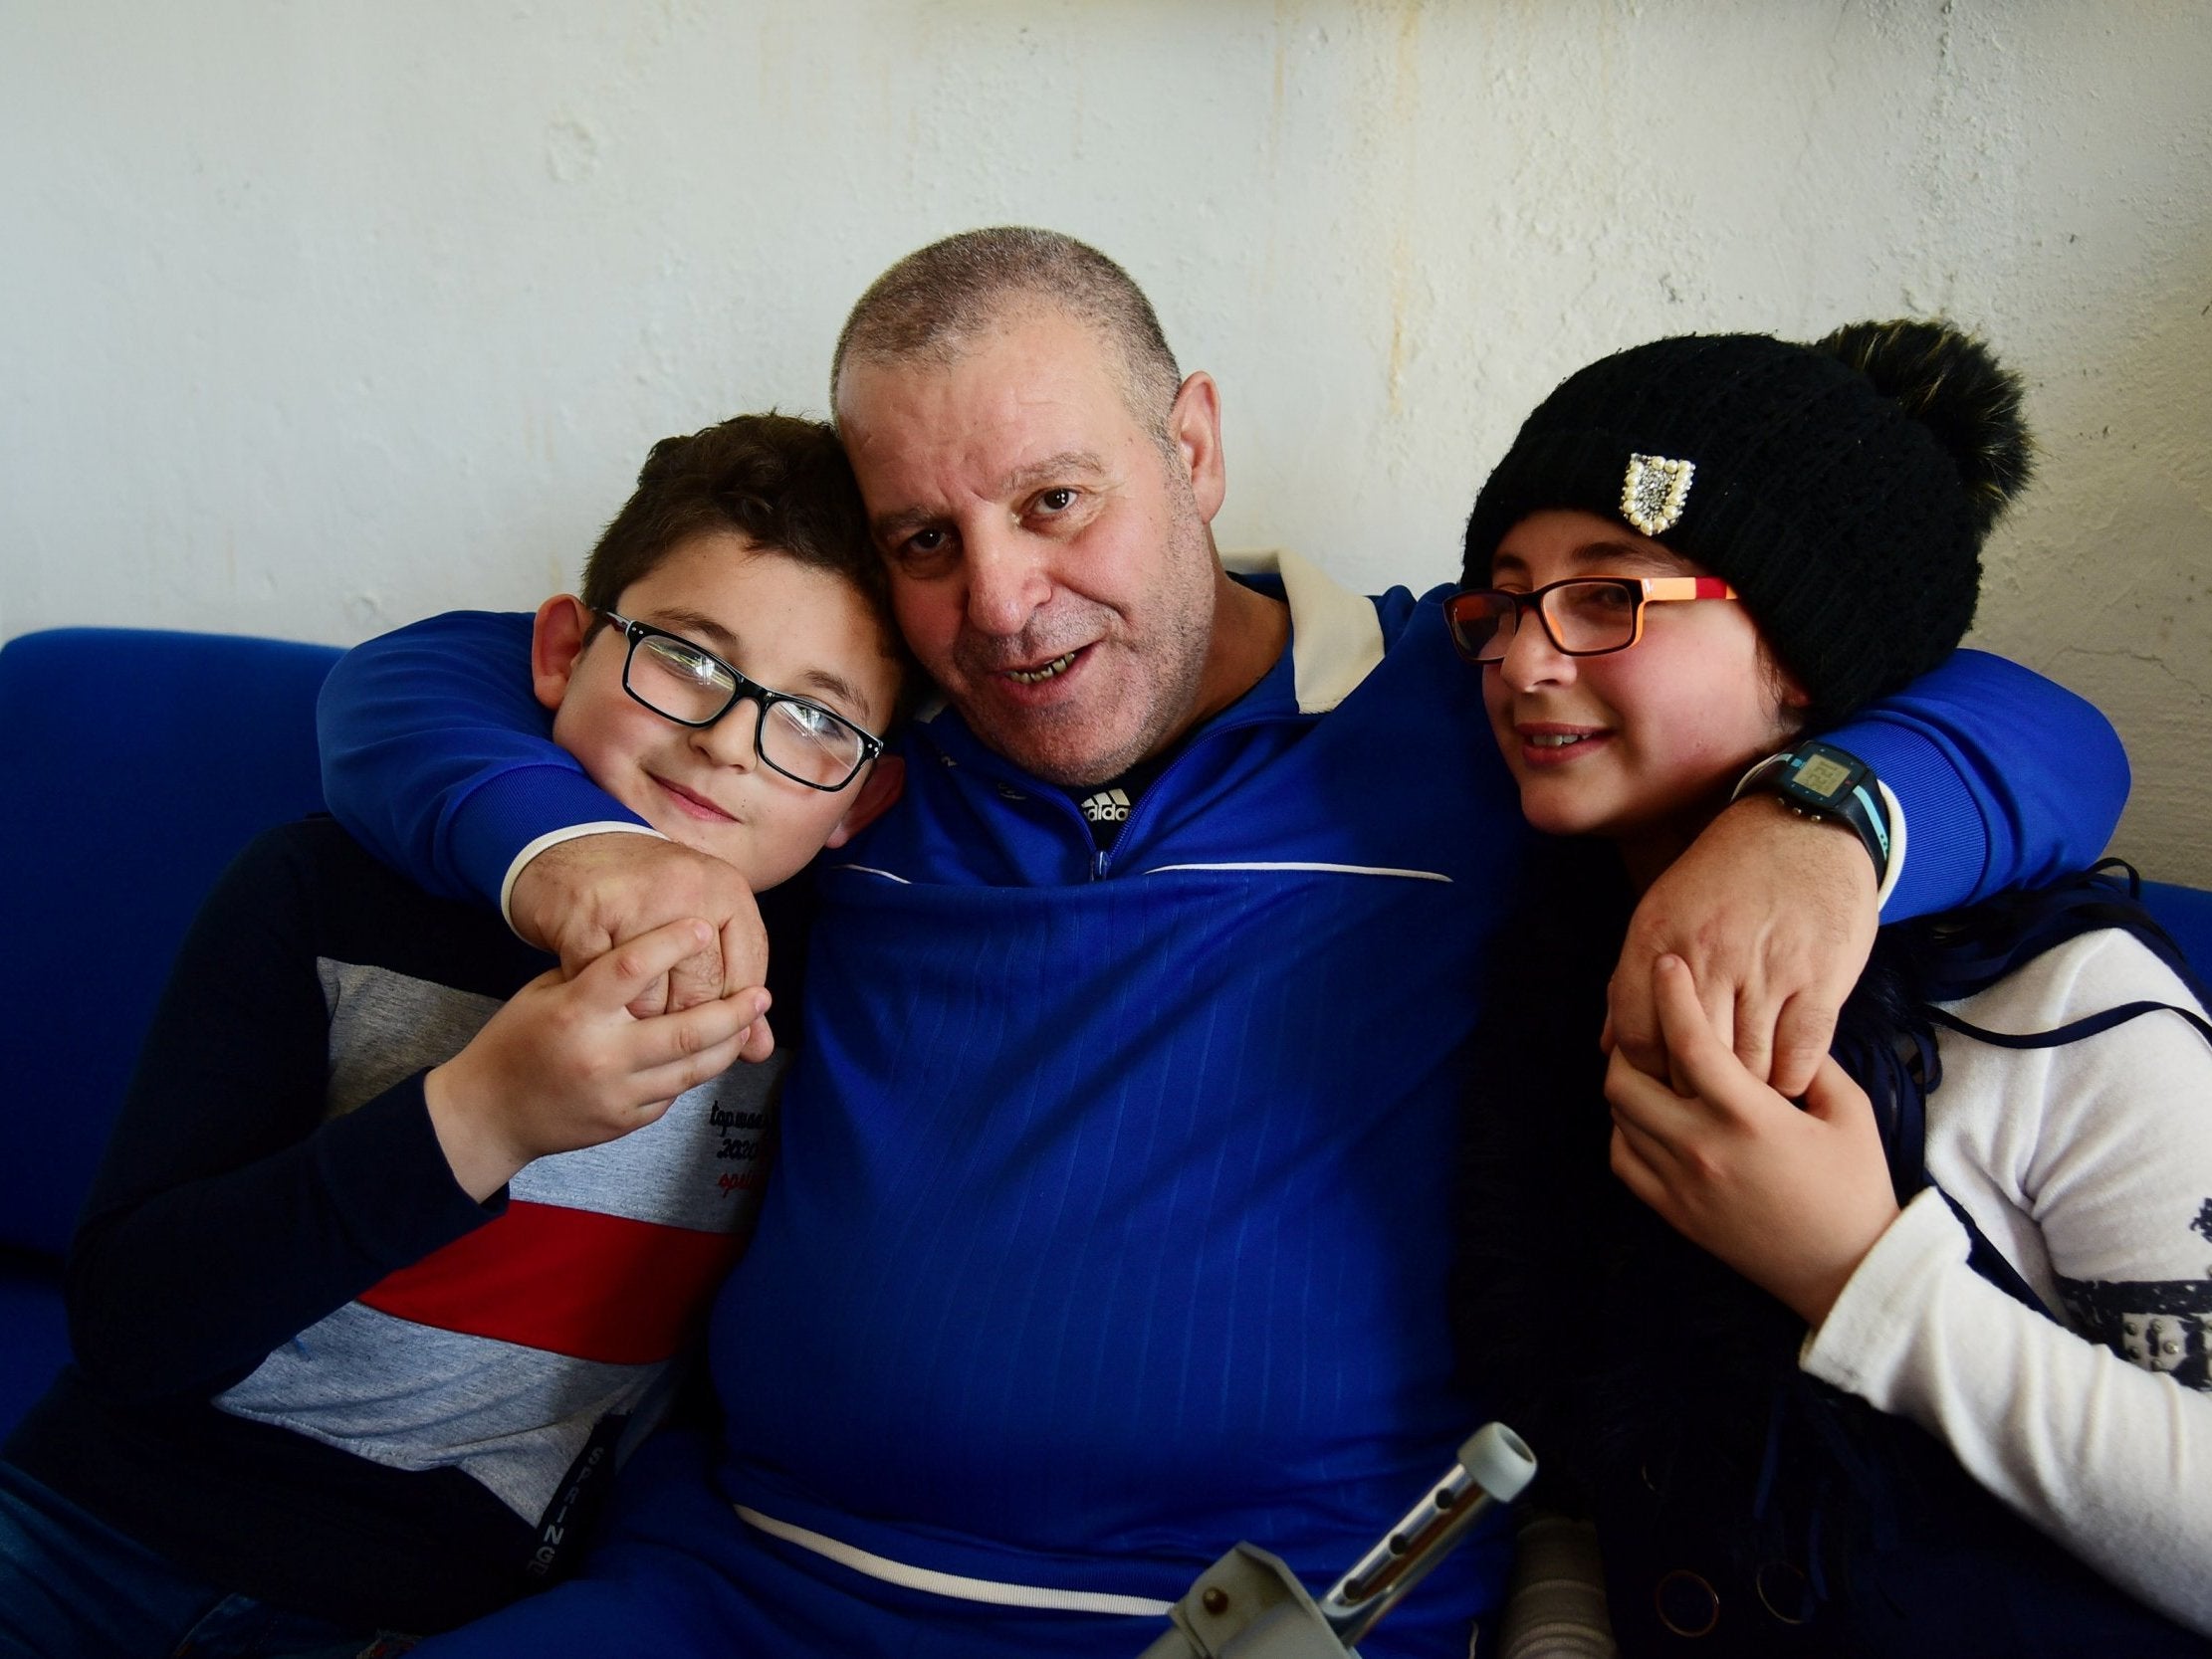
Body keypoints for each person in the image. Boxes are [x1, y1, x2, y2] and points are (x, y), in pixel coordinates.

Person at [316, 230, 2129, 1658]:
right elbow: (415, 681)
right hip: (741, 1588)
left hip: (1259, 1621)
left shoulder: (1468, 704)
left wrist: (1817, 821)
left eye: (1056, 500)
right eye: (924, 539)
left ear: (1189, 443)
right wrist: (579, 861)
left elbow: (2047, 730)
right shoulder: (849, 748)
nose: (1002, 608)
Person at [0, 413, 910, 1657]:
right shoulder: (320, 891)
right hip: (87, 1523)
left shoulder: (831, 1003)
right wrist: (481, 1113)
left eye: (816, 721)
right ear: (559, 650)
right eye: (687, 658)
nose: (728, 740)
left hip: (415, 1608)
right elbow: (128, 1324)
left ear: (865, 794)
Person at [1448, 322, 2212, 1653]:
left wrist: (1858, 1273)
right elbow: (1576, 1472)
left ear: (1801, 653)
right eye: (1501, 603)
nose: (1522, 660)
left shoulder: (2050, 1005)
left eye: (1605, 595)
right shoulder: (1550, 981)